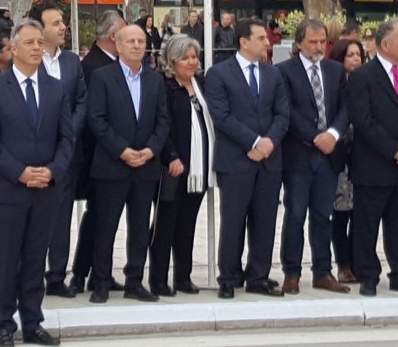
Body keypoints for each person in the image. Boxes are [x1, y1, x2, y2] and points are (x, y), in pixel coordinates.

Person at [0, 19, 73, 347]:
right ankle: (4, 322)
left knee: (35, 257)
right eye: (29, 43)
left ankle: (33, 321)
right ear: (13, 49)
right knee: (6, 258)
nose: (36, 48)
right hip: (8, 189)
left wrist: (52, 171)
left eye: (39, 43)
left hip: (46, 188)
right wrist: (20, 172)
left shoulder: (56, 88)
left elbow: (66, 139)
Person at [204, 17, 289, 298]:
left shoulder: (272, 74)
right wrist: (252, 141)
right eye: (262, 38)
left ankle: (258, 276)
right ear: (244, 41)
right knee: (234, 220)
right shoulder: (219, 74)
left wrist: (268, 142)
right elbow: (222, 116)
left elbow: (282, 114)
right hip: (236, 159)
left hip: (268, 160)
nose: (268, 43)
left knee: (264, 220)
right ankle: (228, 277)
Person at [343, 20, 398, 297]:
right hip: (374, 163)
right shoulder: (363, 76)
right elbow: (363, 121)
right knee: (367, 223)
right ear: (386, 44)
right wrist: (394, 149)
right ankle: (368, 275)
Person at [86, 25, 170, 303]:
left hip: (145, 165)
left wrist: (150, 150)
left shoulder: (155, 79)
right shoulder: (101, 77)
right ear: (117, 45)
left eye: (141, 41)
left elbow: (163, 121)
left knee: (139, 228)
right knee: (106, 226)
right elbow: (96, 120)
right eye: (130, 41)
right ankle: (100, 281)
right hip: (112, 165)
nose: (136, 45)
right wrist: (121, 150)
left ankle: (135, 280)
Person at [276, 19, 351, 295]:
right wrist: (314, 136)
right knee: (295, 215)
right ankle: (291, 273)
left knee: (323, 216)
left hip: (330, 155)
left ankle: (323, 271)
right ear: (299, 43)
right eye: (313, 42)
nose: (319, 47)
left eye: (323, 42)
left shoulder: (335, 70)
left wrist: (333, 134)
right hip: (299, 154)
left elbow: (345, 107)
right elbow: (287, 110)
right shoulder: (283, 71)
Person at [148, 34, 213, 296]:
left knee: (187, 225)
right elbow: (162, 125)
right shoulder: (164, 86)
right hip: (172, 168)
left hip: (198, 169)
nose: (191, 61)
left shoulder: (201, 84)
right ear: (171, 61)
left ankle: (183, 277)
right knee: (165, 225)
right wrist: (171, 155)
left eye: (194, 56)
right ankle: (158, 279)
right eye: (184, 57)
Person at [31, 5, 87, 299]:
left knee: (62, 216)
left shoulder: (71, 62)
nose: (63, 27)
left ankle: (56, 275)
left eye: (63, 22)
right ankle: (30, 273)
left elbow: (81, 103)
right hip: (33, 154)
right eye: (56, 23)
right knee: (33, 217)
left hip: (64, 155)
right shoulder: (28, 60)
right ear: (39, 30)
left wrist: (67, 136)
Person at [67, 10, 123, 294]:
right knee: (99, 215)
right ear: (113, 36)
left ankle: (92, 270)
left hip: (106, 154)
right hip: (96, 155)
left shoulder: (106, 63)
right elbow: (93, 116)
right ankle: (82, 272)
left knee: (102, 216)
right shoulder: (94, 66)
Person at [326, 38, 363, 283]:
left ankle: (359, 261)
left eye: (359, 55)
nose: (356, 59)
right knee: (340, 214)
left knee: (361, 215)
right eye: (350, 55)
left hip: (363, 157)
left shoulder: (367, 82)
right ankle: (342, 263)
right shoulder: (334, 83)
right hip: (339, 157)